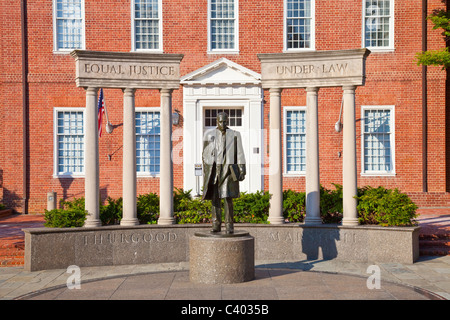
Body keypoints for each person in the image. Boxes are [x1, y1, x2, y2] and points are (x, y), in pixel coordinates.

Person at [202, 112, 246, 234]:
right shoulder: (210, 135)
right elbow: (204, 153)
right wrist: (207, 167)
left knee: (227, 198)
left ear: (228, 121)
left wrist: (242, 169)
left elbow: (240, 152)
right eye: (221, 121)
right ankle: (216, 224)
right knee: (215, 199)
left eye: (225, 121)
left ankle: (229, 225)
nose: (223, 124)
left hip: (228, 170)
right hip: (215, 169)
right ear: (217, 121)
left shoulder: (235, 135)